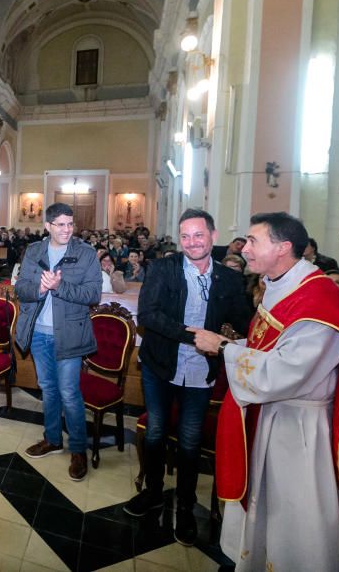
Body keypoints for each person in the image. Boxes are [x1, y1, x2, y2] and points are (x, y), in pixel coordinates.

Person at [195, 212, 339, 571]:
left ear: (282, 247)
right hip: (272, 414)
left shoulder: (319, 301)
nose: (244, 248)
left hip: (299, 429)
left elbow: (286, 372)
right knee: (267, 505)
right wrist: (237, 346)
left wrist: (224, 348)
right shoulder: (283, 284)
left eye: (254, 241)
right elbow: (269, 349)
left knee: (294, 515)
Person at [124, 209, 251, 546]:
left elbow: (242, 322)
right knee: (154, 432)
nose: (192, 242)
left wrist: (228, 339)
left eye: (198, 235)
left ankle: (185, 506)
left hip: (200, 372)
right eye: (185, 236)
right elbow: (148, 314)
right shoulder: (162, 269)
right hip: (160, 365)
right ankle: (152, 492)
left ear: (212, 235)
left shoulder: (230, 279)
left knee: (191, 440)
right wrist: (192, 336)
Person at [15, 203, 101, 481]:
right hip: (39, 331)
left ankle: (78, 449)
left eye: (70, 224)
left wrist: (58, 286)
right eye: (60, 225)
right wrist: (40, 287)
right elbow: (21, 288)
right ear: (48, 226)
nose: (66, 230)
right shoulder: (34, 251)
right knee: (48, 389)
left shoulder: (85, 254)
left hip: (70, 334)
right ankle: (52, 439)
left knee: (69, 392)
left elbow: (93, 294)